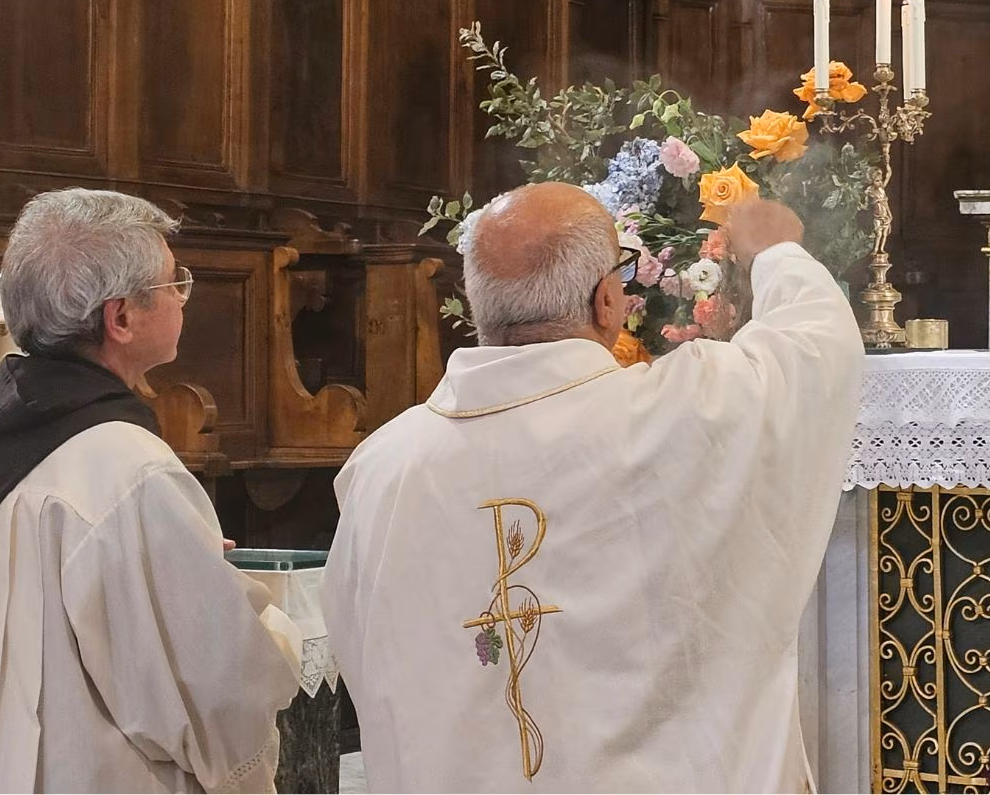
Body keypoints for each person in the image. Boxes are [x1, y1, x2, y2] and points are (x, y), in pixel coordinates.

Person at [325, 184, 865, 792]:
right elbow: (815, 349)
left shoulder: (381, 469)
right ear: (607, 300)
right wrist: (776, 251)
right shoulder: (686, 413)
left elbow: (367, 663)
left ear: (477, 306)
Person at [0, 188, 301, 792]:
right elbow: (217, 695)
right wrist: (230, 595)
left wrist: (181, 563)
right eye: (172, 283)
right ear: (121, 318)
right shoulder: (127, 471)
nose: (185, 296)